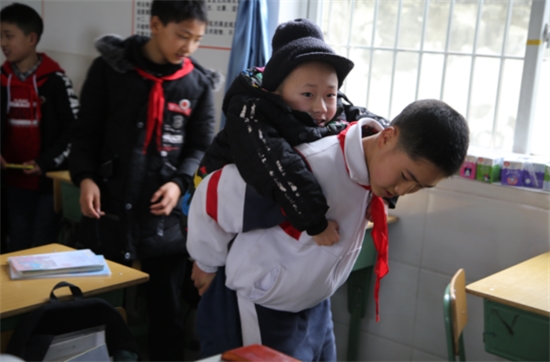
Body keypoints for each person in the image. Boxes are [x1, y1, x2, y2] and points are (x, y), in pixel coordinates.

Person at [188, 97, 469, 360]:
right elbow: (213, 195)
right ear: (386, 137)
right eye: (407, 176)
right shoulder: (309, 167)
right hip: (262, 307)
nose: (405, 190)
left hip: (315, 303)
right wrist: (206, 262)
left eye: (420, 186)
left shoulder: (371, 173)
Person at [68, 0, 219, 360]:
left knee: (166, 314)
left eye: (197, 39)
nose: (189, 47)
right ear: (155, 24)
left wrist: (179, 183)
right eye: (182, 36)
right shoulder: (110, 70)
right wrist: (86, 178)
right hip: (108, 211)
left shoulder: (196, 84)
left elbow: (200, 146)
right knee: (91, 308)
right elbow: (85, 134)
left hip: (161, 222)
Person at [181, 18, 394, 249]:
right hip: (209, 216)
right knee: (207, 274)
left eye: (330, 95)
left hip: (259, 220)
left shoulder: (332, 106)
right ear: (276, 91)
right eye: (308, 95)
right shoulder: (250, 112)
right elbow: (278, 166)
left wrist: (385, 193)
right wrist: (316, 223)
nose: (321, 108)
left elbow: (380, 132)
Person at [0, 3, 78, 252]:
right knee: (16, 244)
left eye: (9, 36)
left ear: (31, 38)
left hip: (46, 183)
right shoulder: (2, 80)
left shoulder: (56, 82)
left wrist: (45, 162)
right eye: (0, 36)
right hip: (11, 183)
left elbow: (74, 131)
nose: (3, 43)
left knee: (43, 248)